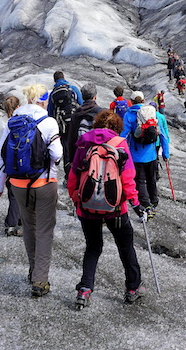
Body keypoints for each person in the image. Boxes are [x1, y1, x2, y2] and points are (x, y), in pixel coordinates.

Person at [67, 110, 147, 308]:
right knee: (125, 246)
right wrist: (136, 203)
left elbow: (73, 175)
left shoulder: (84, 143)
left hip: (87, 207)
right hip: (116, 208)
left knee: (93, 247)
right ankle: (132, 288)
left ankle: (85, 289)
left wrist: (76, 198)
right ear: (117, 127)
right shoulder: (120, 145)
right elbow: (128, 178)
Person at [0, 83, 64, 298]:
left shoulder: (13, 120)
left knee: (29, 228)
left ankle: (33, 271)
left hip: (18, 185)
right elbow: (57, 154)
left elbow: (1, 155)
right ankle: (40, 280)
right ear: (43, 100)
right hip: (44, 183)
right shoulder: (48, 121)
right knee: (44, 231)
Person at [120, 90, 170, 218]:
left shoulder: (129, 115)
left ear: (131, 101)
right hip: (152, 154)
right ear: (143, 101)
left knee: (140, 181)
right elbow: (163, 135)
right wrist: (166, 153)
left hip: (136, 155)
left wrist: (119, 150)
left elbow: (124, 135)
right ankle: (154, 202)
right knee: (151, 179)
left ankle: (146, 206)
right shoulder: (153, 114)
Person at [0, 94, 23, 237]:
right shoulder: (23, 121)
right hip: (22, 162)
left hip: (6, 164)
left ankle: (15, 222)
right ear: (18, 107)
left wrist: (3, 151)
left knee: (13, 194)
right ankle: (13, 224)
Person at [64, 84, 103, 177]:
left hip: (80, 155)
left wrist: (71, 159)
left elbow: (72, 138)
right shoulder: (101, 113)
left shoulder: (76, 114)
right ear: (95, 97)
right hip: (99, 155)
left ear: (82, 96)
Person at [48, 70, 83, 138]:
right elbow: (81, 103)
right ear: (64, 78)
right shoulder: (73, 89)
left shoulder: (53, 93)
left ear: (54, 81)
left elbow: (50, 112)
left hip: (61, 123)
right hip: (74, 119)